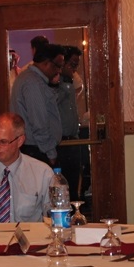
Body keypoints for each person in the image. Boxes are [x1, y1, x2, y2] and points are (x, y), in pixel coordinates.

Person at [10, 42, 64, 166]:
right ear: (46, 63)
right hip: (37, 149)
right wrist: (50, 152)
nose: (59, 71)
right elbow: (39, 122)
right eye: (58, 66)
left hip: (35, 148)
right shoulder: (33, 83)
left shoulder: (29, 78)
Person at [54, 45, 84, 199]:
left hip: (73, 140)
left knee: (74, 186)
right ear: (63, 63)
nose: (74, 69)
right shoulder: (54, 83)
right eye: (72, 64)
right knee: (61, 187)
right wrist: (63, 85)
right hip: (61, 143)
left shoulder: (70, 82)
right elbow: (53, 104)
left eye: (76, 65)